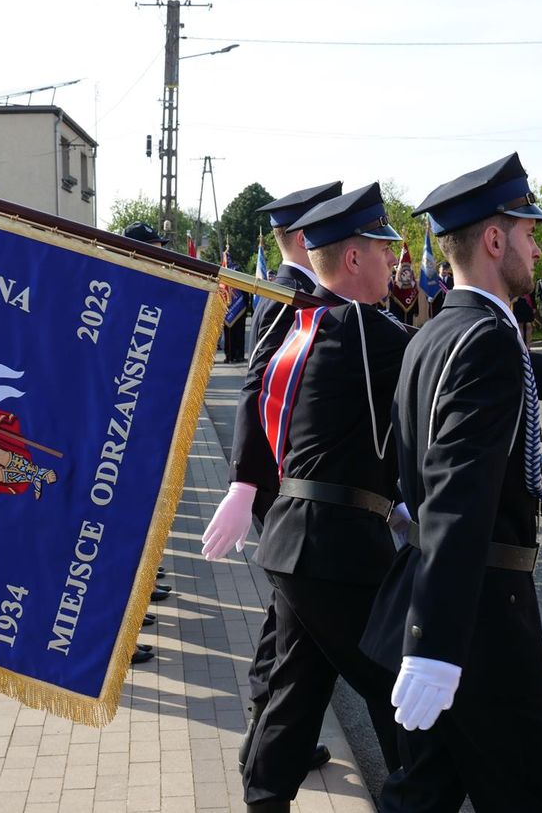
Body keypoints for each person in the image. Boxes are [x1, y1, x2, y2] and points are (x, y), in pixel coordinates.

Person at [360, 153, 542, 812]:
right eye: (529, 232)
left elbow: (462, 469)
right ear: (494, 239)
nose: (539, 247)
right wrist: (436, 643)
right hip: (479, 619)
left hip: (443, 601)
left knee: (422, 793)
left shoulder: (433, 334)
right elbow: (458, 496)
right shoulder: (486, 340)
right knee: (535, 794)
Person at [236, 182, 406, 812]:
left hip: (299, 538)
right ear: (355, 258)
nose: (396, 259)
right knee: (399, 689)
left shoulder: (312, 322)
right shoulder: (362, 325)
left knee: (299, 684)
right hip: (334, 544)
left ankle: (264, 796)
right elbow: (452, 358)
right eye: (384, 248)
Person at [201, 180, 342, 775]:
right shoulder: (286, 294)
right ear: (306, 237)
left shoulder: (298, 291)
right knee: (300, 613)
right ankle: (267, 744)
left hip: (284, 481)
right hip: (283, 482)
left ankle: (267, 735)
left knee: (290, 611)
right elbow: (255, 390)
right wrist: (244, 484)